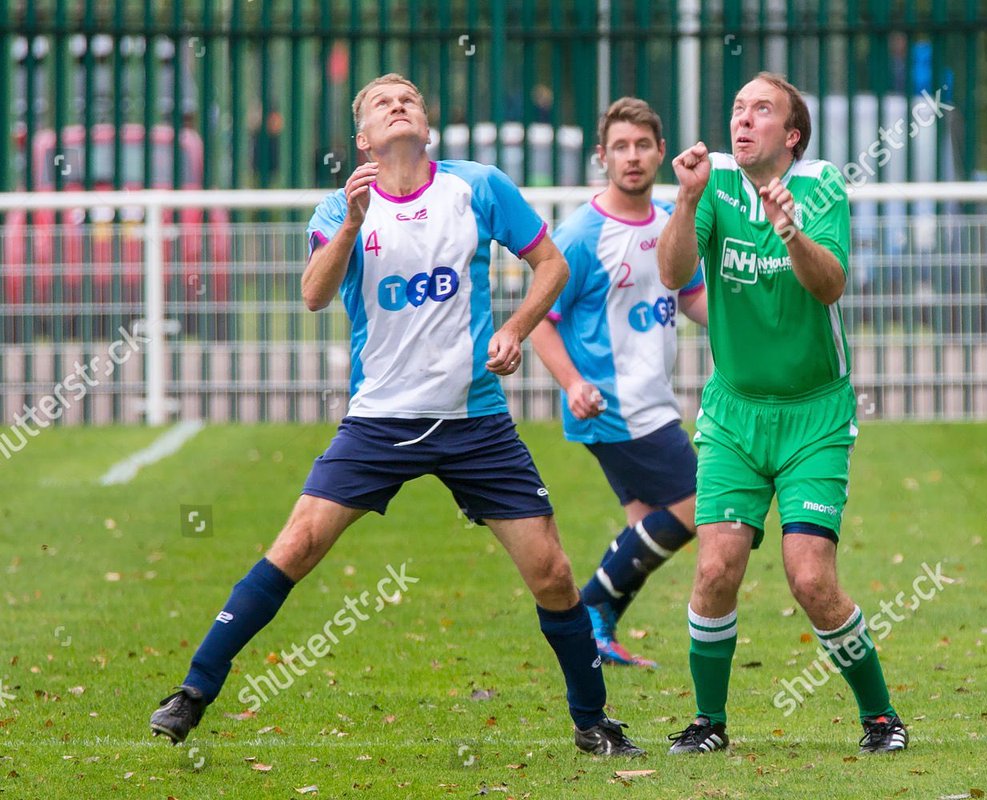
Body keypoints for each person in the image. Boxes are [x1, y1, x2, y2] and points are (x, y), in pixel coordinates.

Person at [149, 73, 644, 758]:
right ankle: (193, 691)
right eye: (383, 102)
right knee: (298, 544)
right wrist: (353, 224)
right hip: (380, 420)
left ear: (426, 125)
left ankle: (593, 722)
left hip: (475, 422)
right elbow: (314, 294)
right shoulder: (341, 206)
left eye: (409, 98)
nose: (399, 105)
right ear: (364, 139)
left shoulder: (478, 186)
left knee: (553, 573)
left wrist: (514, 330)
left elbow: (551, 266)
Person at [657, 72, 908, 755]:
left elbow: (830, 285)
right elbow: (672, 274)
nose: (742, 119)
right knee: (715, 570)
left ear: (792, 135)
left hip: (813, 416)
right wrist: (685, 199)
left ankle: (881, 717)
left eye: (761, 109)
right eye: (737, 107)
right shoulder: (712, 183)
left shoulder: (821, 185)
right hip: (734, 415)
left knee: (811, 578)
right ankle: (709, 722)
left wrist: (789, 231)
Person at [529, 98, 707, 668]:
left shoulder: (670, 220)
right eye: (621, 147)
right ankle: (588, 610)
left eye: (643, 145)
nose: (633, 157)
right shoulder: (581, 235)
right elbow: (539, 324)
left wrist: (753, 323)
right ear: (602, 157)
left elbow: (692, 296)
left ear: (661, 151)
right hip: (613, 405)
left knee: (645, 523)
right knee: (701, 506)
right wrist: (573, 385)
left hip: (652, 399)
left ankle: (598, 633)